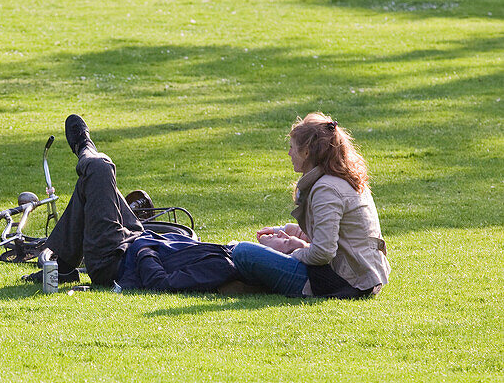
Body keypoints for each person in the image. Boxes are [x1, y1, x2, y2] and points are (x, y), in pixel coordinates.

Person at [29, 115, 237, 293]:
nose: (268, 233)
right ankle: (63, 267)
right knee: (96, 185)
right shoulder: (228, 254)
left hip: (113, 261)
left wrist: (145, 250)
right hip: (136, 239)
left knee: (100, 169)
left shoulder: (225, 265)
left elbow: (160, 283)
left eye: (270, 239)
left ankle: (85, 148)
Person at [230, 113, 390, 298]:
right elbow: (333, 234)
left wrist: (290, 250)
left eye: (292, 148)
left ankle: (252, 282)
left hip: (344, 282)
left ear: (306, 152)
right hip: (363, 278)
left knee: (243, 251)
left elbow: (323, 253)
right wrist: (286, 231)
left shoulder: (326, 189)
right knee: (249, 254)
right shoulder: (339, 178)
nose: (289, 154)